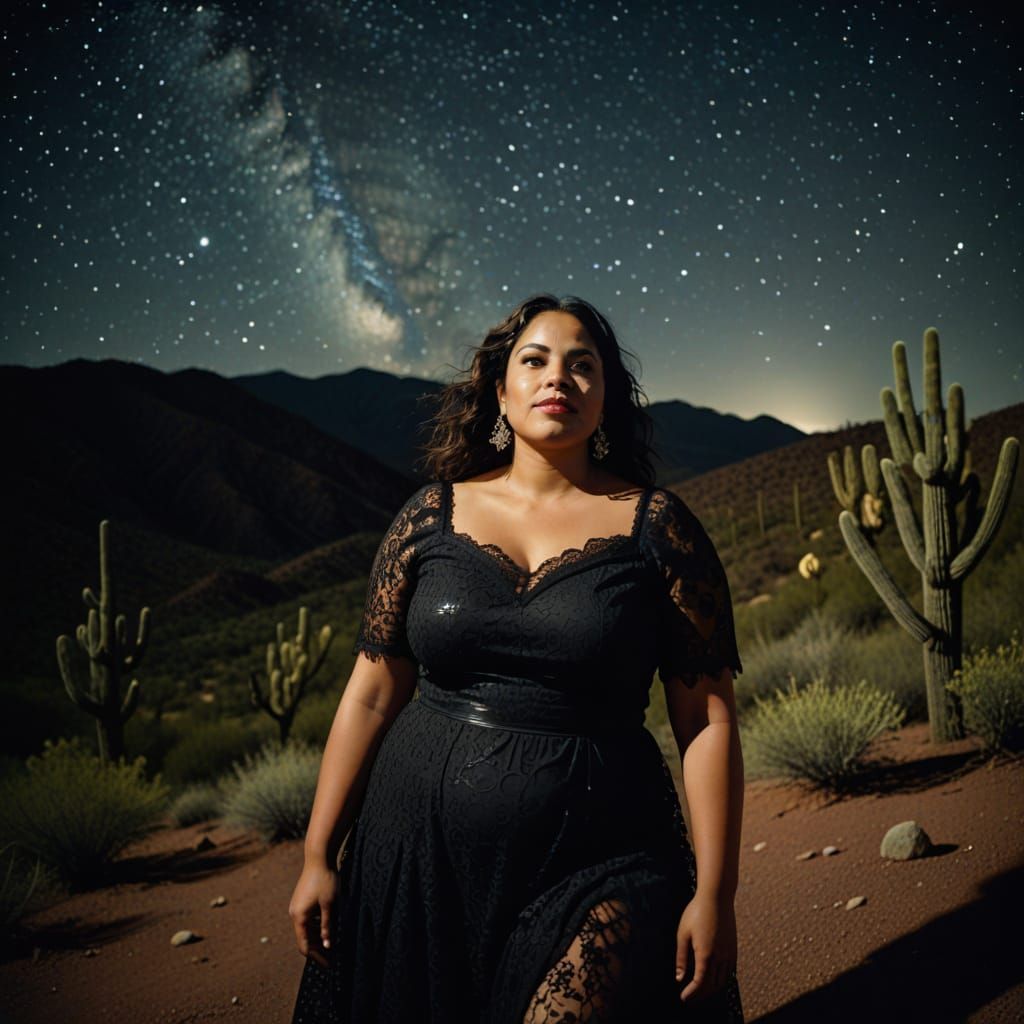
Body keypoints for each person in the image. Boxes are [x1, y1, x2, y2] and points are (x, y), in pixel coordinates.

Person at [288, 293, 745, 1023]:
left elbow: (707, 716)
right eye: (534, 361)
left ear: (606, 398)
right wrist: (318, 854)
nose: (557, 377)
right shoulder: (427, 517)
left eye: (582, 365)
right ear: (501, 391)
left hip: (599, 851)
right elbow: (373, 692)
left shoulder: (658, 528)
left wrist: (715, 892)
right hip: (417, 860)